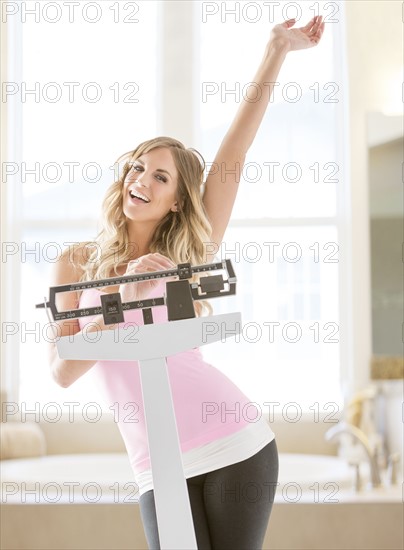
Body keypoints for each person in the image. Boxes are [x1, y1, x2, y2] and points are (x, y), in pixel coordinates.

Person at [49, 16, 325, 550]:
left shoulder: (186, 258)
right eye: (136, 168)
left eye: (160, 175)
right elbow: (62, 371)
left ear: (178, 198)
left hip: (234, 444)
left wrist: (277, 49)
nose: (141, 180)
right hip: (155, 462)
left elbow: (233, 158)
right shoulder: (77, 262)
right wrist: (119, 299)